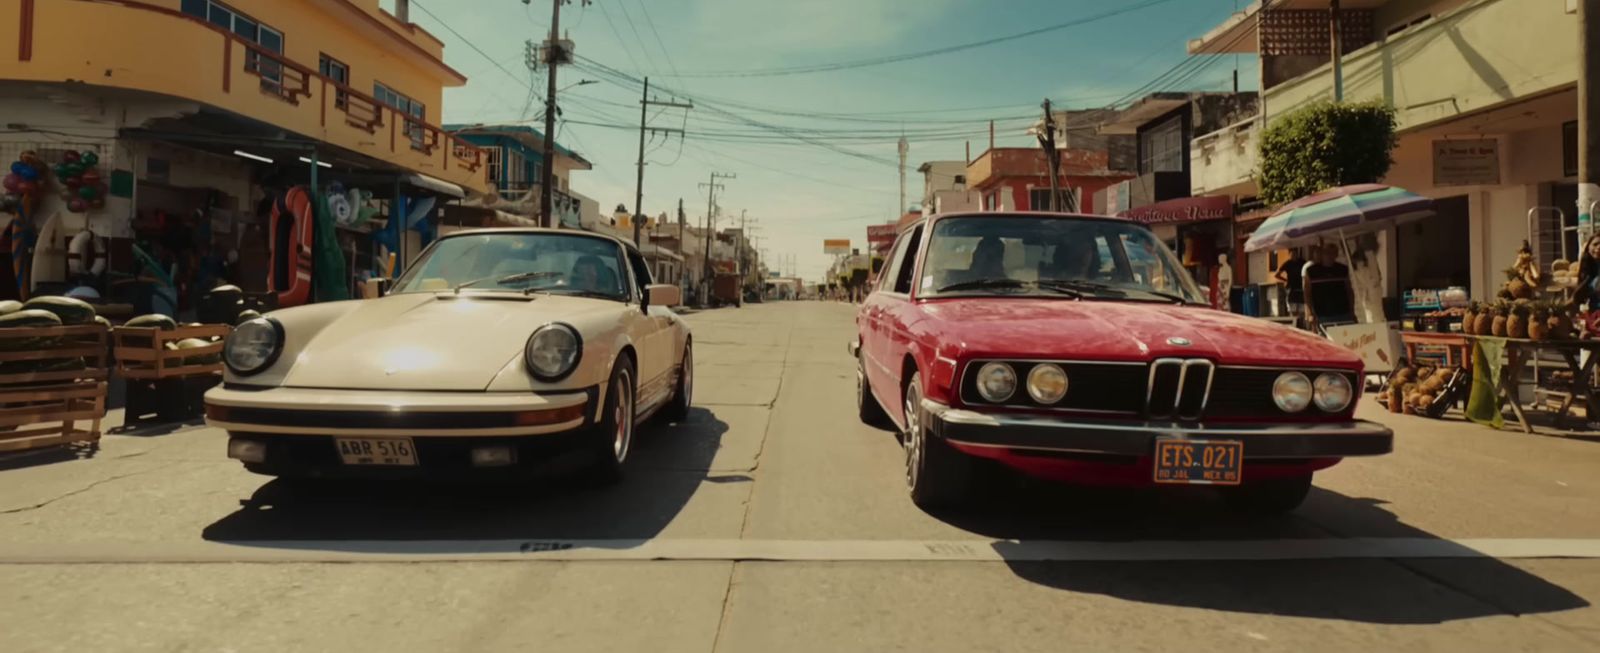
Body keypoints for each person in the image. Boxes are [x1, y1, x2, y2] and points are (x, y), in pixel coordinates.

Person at [1303, 242, 1355, 330]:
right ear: (1322, 254)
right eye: (1327, 253)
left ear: (1336, 255)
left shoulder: (1342, 269)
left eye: (1333, 253)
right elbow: (1307, 293)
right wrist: (1309, 313)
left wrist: (1352, 311)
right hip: (1322, 313)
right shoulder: (1312, 271)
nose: (1330, 256)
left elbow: (1349, 291)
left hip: (1343, 312)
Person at [1274, 248, 1308, 321]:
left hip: (1301, 288)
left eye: (1295, 254)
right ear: (1289, 255)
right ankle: (1295, 323)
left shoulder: (1302, 262)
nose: (1293, 256)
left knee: (1302, 310)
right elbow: (1276, 274)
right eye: (1292, 254)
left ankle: (1301, 325)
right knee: (1293, 310)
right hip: (1291, 288)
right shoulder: (1287, 263)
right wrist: (1285, 280)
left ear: (1297, 254)